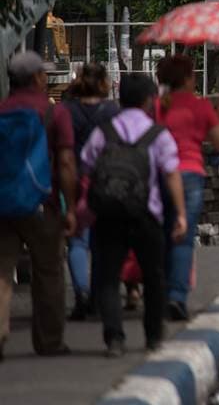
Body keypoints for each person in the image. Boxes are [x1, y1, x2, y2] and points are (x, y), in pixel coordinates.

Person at [82, 74, 187, 357]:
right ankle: (153, 337)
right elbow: (172, 173)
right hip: (146, 215)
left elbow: (86, 168)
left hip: (108, 214)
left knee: (108, 278)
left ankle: (114, 339)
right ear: (149, 101)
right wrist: (180, 213)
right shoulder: (158, 134)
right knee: (154, 276)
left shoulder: (103, 132)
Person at [0, 51, 76, 360]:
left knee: (2, 271)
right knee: (48, 272)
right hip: (43, 204)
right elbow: (66, 162)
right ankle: (49, 341)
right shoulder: (53, 113)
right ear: (37, 78)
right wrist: (71, 208)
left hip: (3, 203)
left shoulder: (2, 111)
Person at [156, 55, 219, 321]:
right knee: (183, 237)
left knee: (163, 234)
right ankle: (176, 296)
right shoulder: (200, 106)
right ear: (188, 78)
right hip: (190, 175)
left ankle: (161, 293)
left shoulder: (157, 106)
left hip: (160, 175)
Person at [63, 63, 120, 320]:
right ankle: (97, 297)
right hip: (106, 181)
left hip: (74, 179)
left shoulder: (67, 110)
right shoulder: (112, 111)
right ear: (104, 83)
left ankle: (81, 293)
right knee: (101, 242)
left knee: (77, 240)